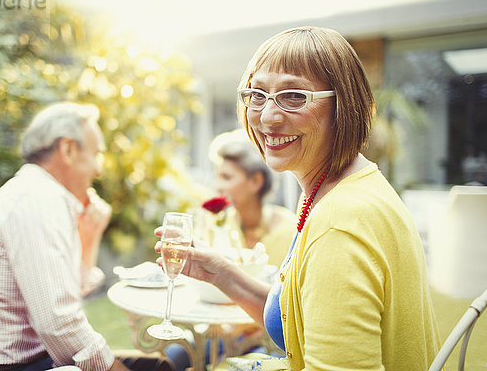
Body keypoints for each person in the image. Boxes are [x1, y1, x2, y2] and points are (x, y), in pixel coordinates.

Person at [158, 27, 442, 370]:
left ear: (343, 106)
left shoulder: (339, 221)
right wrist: (222, 274)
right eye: (257, 94)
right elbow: (299, 318)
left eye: (294, 96)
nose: (268, 116)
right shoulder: (338, 188)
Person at [0, 103, 173, 371]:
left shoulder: (39, 193)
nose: (98, 169)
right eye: (96, 153)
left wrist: (90, 235)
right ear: (68, 149)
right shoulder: (37, 199)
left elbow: (68, 296)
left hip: (24, 358)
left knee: (159, 367)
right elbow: (58, 323)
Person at [208, 130, 296, 267]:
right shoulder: (217, 227)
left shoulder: (291, 229)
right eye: (218, 176)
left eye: (226, 177)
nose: (218, 186)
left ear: (256, 181)